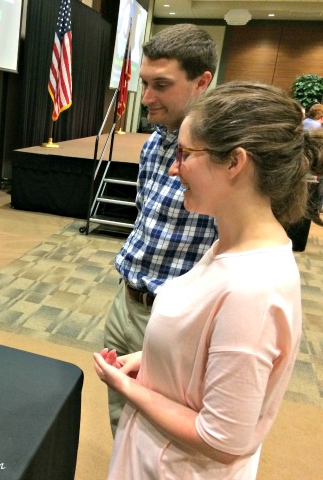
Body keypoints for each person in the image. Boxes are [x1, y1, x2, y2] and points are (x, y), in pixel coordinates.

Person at [95, 82, 319, 479]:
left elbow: (220, 438)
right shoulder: (228, 247)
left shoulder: (254, 288)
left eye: (185, 154)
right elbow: (204, 353)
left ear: (235, 162)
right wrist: (152, 362)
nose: (173, 167)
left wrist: (130, 388)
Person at [104, 23, 219, 435]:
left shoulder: (223, 156)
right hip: (127, 301)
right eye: (144, 83)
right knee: (122, 421)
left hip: (177, 318)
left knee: (163, 432)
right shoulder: (155, 142)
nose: (146, 98)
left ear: (201, 82)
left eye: (161, 85)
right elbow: (144, 217)